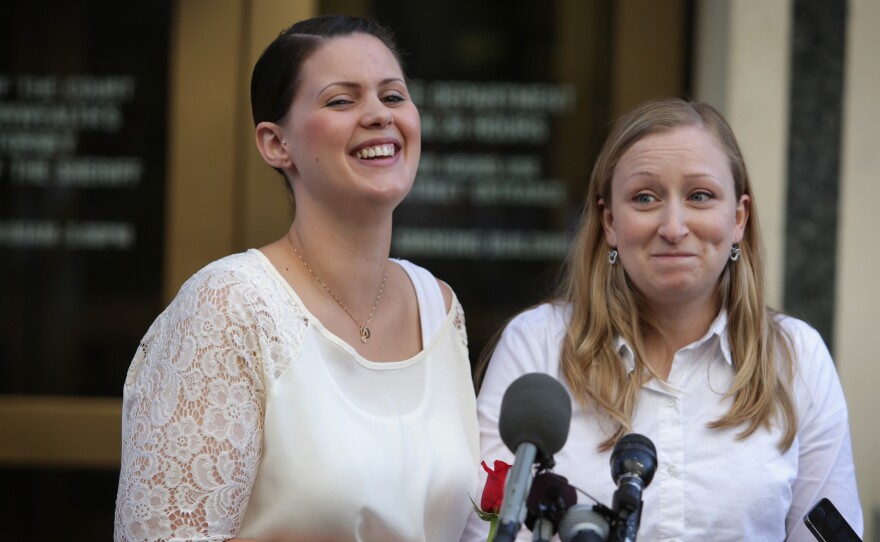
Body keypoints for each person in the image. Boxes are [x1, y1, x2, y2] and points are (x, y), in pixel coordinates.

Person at [114, 15, 479, 542]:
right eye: (341, 100)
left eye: (393, 96)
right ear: (275, 144)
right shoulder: (230, 308)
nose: (379, 115)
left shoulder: (440, 308)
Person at [461, 98, 862, 541]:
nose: (673, 227)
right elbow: (487, 530)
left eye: (700, 196)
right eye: (645, 197)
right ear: (610, 221)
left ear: (738, 218)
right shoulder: (537, 345)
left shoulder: (796, 357)